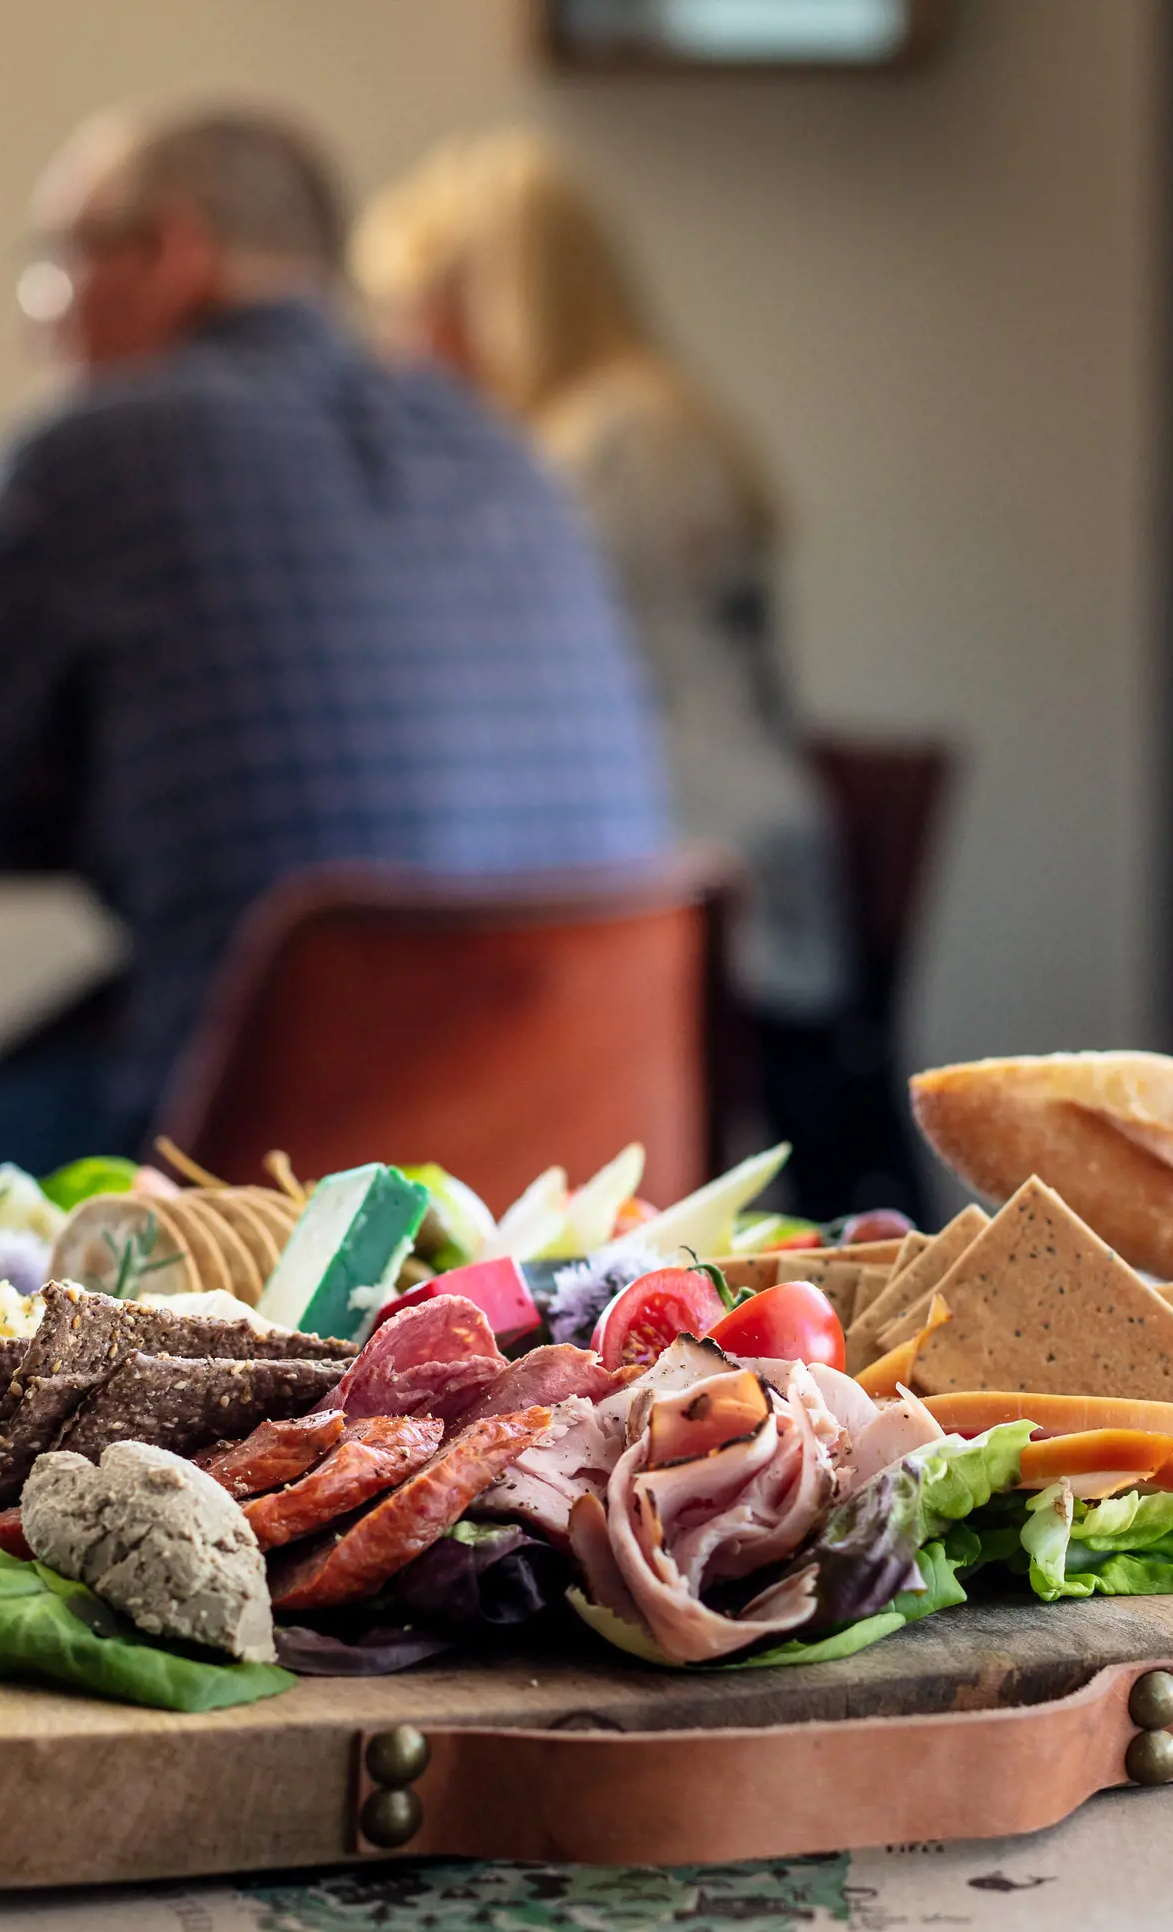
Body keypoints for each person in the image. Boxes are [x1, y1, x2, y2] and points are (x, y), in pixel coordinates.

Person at [0, 105, 672, 1247]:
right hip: (570, 1172)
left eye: (62, 263)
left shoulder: (100, 449)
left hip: (267, 1185)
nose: (48, 317)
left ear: (170, 251)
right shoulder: (504, 448)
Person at [353, 131, 912, 1215]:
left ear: (492, 300)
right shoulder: (654, 419)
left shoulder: (598, 449)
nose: (396, 350)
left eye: (414, 307)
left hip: (691, 876)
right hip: (747, 860)